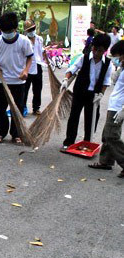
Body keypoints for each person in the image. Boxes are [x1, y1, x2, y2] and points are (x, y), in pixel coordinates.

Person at [0, 12, 33, 144]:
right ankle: (1, 132)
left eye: (9, 31)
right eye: (4, 31)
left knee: (17, 109)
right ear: (0, 29)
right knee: (0, 109)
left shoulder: (24, 41)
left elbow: (30, 57)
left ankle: (16, 134)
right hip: (2, 81)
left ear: (15, 29)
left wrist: (26, 70)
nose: (7, 33)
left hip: (19, 81)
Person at [60, 34, 112, 151]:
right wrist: (65, 80)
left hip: (94, 95)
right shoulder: (84, 58)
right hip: (79, 92)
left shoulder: (108, 64)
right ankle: (69, 141)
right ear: (92, 47)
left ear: (104, 50)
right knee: (74, 116)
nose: (96, 53)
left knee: (92, 118)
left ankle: (87, 143)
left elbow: (106, 81)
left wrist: (101, 94)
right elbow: (72, 70)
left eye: (100, 50)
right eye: (95, 49)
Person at [88, 41, 124, 178]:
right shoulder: (122, 68)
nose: (117, 59)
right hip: (114, 105)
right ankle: (106, 161)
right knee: (107, 135)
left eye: (118, 56)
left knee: (111, 136)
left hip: (119, 108)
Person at [23, 19, 45, 116]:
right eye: (29, 30)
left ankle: (36, 108)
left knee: (37, 89)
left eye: (33, 29)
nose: (32, 31)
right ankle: (22, 106)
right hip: (27, 67)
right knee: (25, 89)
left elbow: (40, 51)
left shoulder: (40, 39)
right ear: (26, 31)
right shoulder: (23, 40)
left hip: (38, 66)